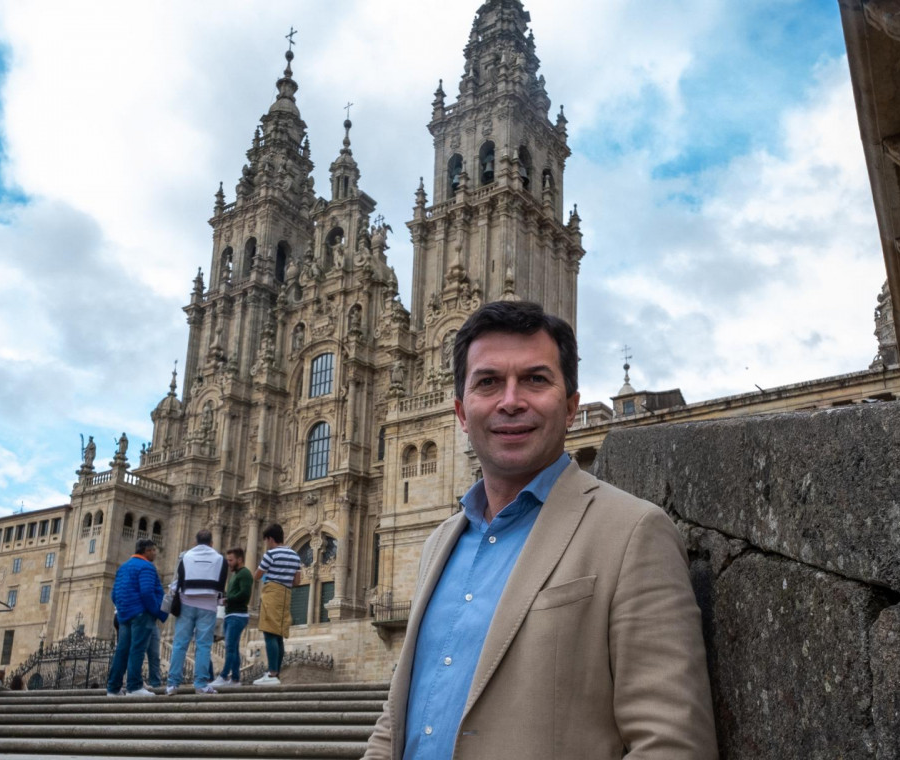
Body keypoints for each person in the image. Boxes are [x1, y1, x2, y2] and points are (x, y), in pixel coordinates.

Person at [363, 301, 716, 759]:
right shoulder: (437, 546)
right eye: (488, 382)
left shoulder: (634, 533)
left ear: (570, 407)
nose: (511, 401)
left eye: (535, 379)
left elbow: (671, 745)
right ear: (461, 413)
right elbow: (395, 724)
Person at [165, 529, 227, 695]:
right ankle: (200, 684)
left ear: (195, 541)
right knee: (203, 646)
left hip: (186, 603)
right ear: (211, 543)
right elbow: (221, 587)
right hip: (208, 606)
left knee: (179, 644)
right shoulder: (220, 559)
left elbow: (179, 580)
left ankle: (172, 684)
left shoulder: (186, 556)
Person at [106, 538, 167, 697]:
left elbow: (114, 594)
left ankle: (113, 688)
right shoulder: (147, 567)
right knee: (137, 649)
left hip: (124, 615)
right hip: (141, 614)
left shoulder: (123, 567)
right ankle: (134, 687)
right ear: (146, 551)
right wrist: (155, 611)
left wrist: (123, 607)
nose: (155, 553)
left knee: (122, 650)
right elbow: (147, 592)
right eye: (153, 550)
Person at [253, 523, 301, 685]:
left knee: (269, 632)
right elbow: (297, 581)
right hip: (286, 593)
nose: (266, 544)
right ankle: (276, 672)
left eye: (266, 540)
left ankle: (272, 674)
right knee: (278, 634)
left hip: (272, 592)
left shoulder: (271, 554)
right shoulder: (295, 555)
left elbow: (257, 575)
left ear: (270, 539)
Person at [210, 547, 252, 688]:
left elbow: (245, 594)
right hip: (231, 614)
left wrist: (228, 599)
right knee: (233, 647)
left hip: (237, 615)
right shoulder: (236, 575)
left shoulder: (245, 574)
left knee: (229, 647)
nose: (228, 563)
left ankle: (223, 676)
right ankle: (235, 679)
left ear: (239, 560)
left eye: (231, 560)